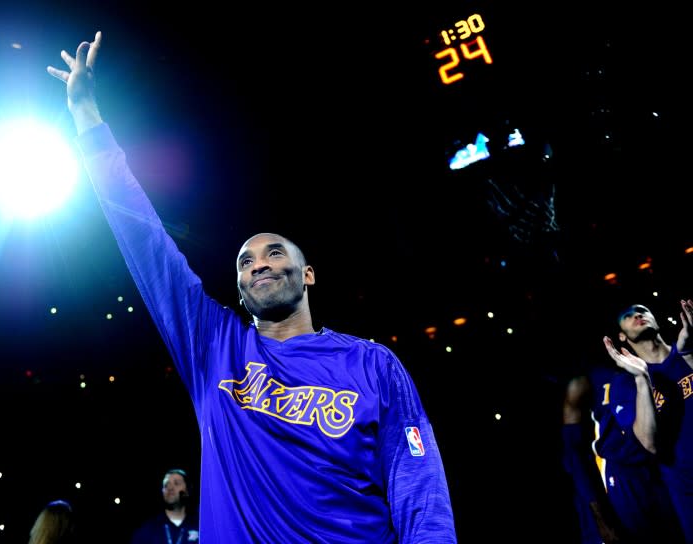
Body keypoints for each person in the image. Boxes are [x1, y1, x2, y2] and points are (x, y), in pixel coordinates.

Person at [47, 31, 457, 542]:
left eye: (275, 253)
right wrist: (87, 116)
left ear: (308, 275)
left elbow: (419, 489)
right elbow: (143, 238)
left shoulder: (373, 365)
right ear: (239, 289)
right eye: (245, 261)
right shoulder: (214, 347)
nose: (259, 264)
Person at [561, 311, 685, 543]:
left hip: (661, 475)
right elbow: (575, 457)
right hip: (621, 483)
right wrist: (601, 520)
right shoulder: (584, 383)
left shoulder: (661, 366)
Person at [604, 301, 693, 543]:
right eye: (628, 314)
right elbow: (649, 443)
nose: (637, 315)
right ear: (621, 336)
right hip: (688, 491)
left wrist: (688, 355)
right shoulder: (625, 384)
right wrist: (643, 380)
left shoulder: (687, 350)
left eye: (642, 310)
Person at [130, 468, 199, 544]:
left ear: (187, 491)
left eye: (176, 483)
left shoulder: (200, 526)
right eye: (166, 485)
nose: (170, 488)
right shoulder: (147, 528)